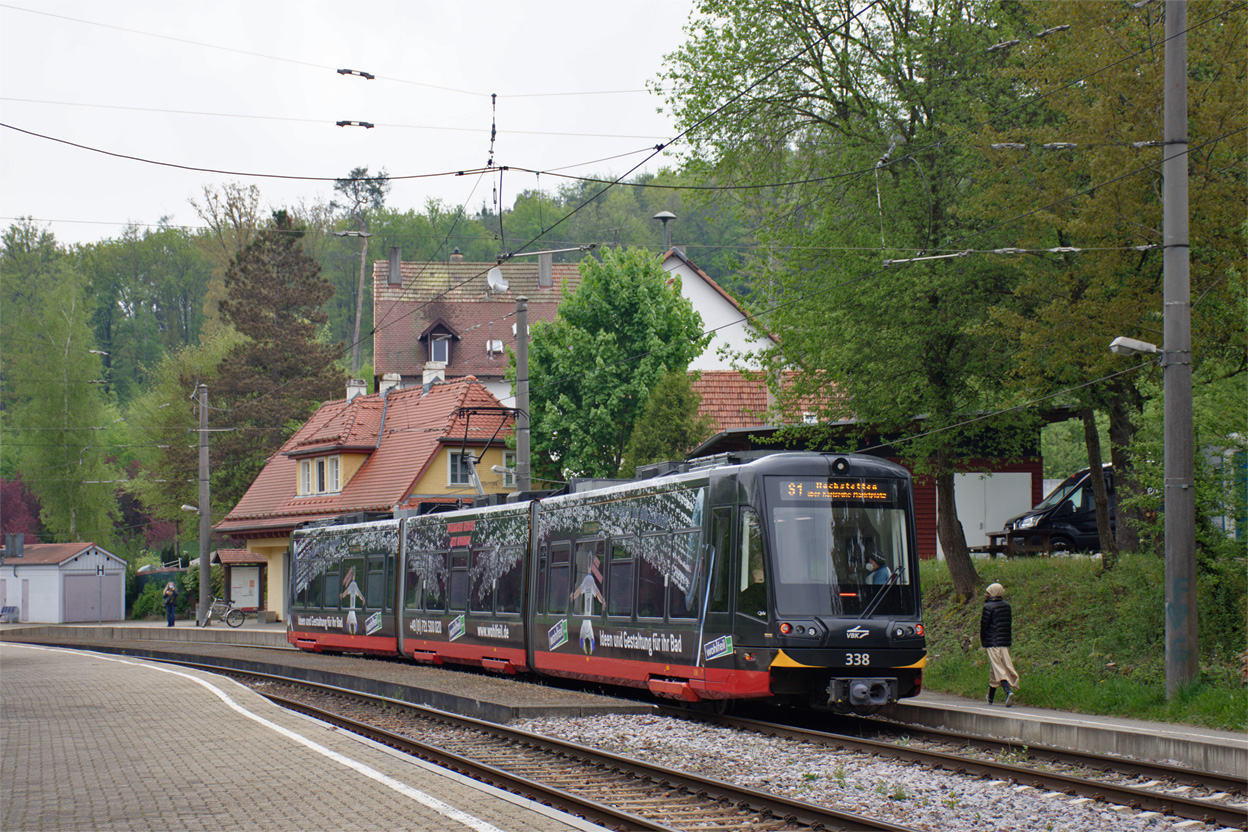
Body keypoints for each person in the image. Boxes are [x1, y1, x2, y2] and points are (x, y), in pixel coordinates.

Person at [980, 582, 1019, 706]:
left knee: (998, 668)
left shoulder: (988, 607)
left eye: (988, 592)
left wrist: (983, 640)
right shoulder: (1007, 606)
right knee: (995, 667)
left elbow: (984, 625)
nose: (986, 595)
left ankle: (1008, 691)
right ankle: (990, 697)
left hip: (992, 642)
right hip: (1004, 642)